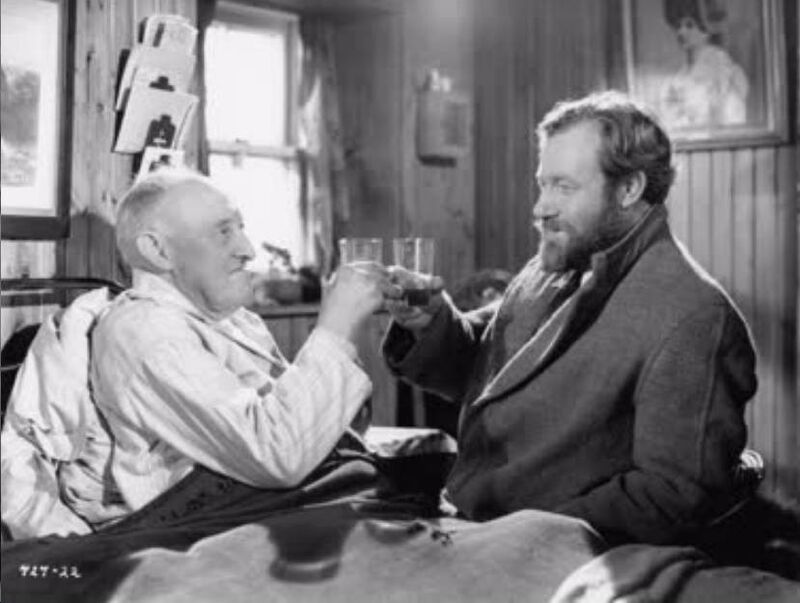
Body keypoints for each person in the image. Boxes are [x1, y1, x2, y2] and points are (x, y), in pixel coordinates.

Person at [383, 91, 757, 546]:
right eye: (542, 184)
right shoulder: (560, 260)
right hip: (466, 523)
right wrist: (430, 321)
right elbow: (490, 365)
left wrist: (518, 535)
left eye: (564, 186)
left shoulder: (694, 317)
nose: (541, 207)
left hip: (548, 557)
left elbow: (672, 497)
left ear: (629, 189)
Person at [83, 169, 391, 524]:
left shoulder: (234, 321)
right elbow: (277, 456)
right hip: (209, 524)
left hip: (270, 507)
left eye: (241, 228)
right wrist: (336, 327)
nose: (247, 250)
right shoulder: (146, 333)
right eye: (223, 232)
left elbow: (318, 427)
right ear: (158, 250)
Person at [659, 0, 748, 128]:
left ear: (705, 29)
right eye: (678, 26)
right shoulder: (679, 76)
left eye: (689, 25)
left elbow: (732, 119)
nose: (681, 32)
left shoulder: (723, 68)